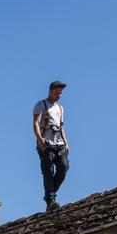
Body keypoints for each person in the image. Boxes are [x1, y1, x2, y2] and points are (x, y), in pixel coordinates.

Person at [33, 81, 70, 211]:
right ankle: (50, 201)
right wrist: (39, 138)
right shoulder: (41, 105)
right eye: (56, 93)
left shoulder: (60, 108)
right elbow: (36, 123)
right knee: (48, 171)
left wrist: (66, 143)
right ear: (50, 91)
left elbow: (61, 127)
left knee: (64, 168)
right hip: (46, 143)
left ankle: (50, 194)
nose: (58, 95)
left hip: (59, 143)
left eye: (60, 93)